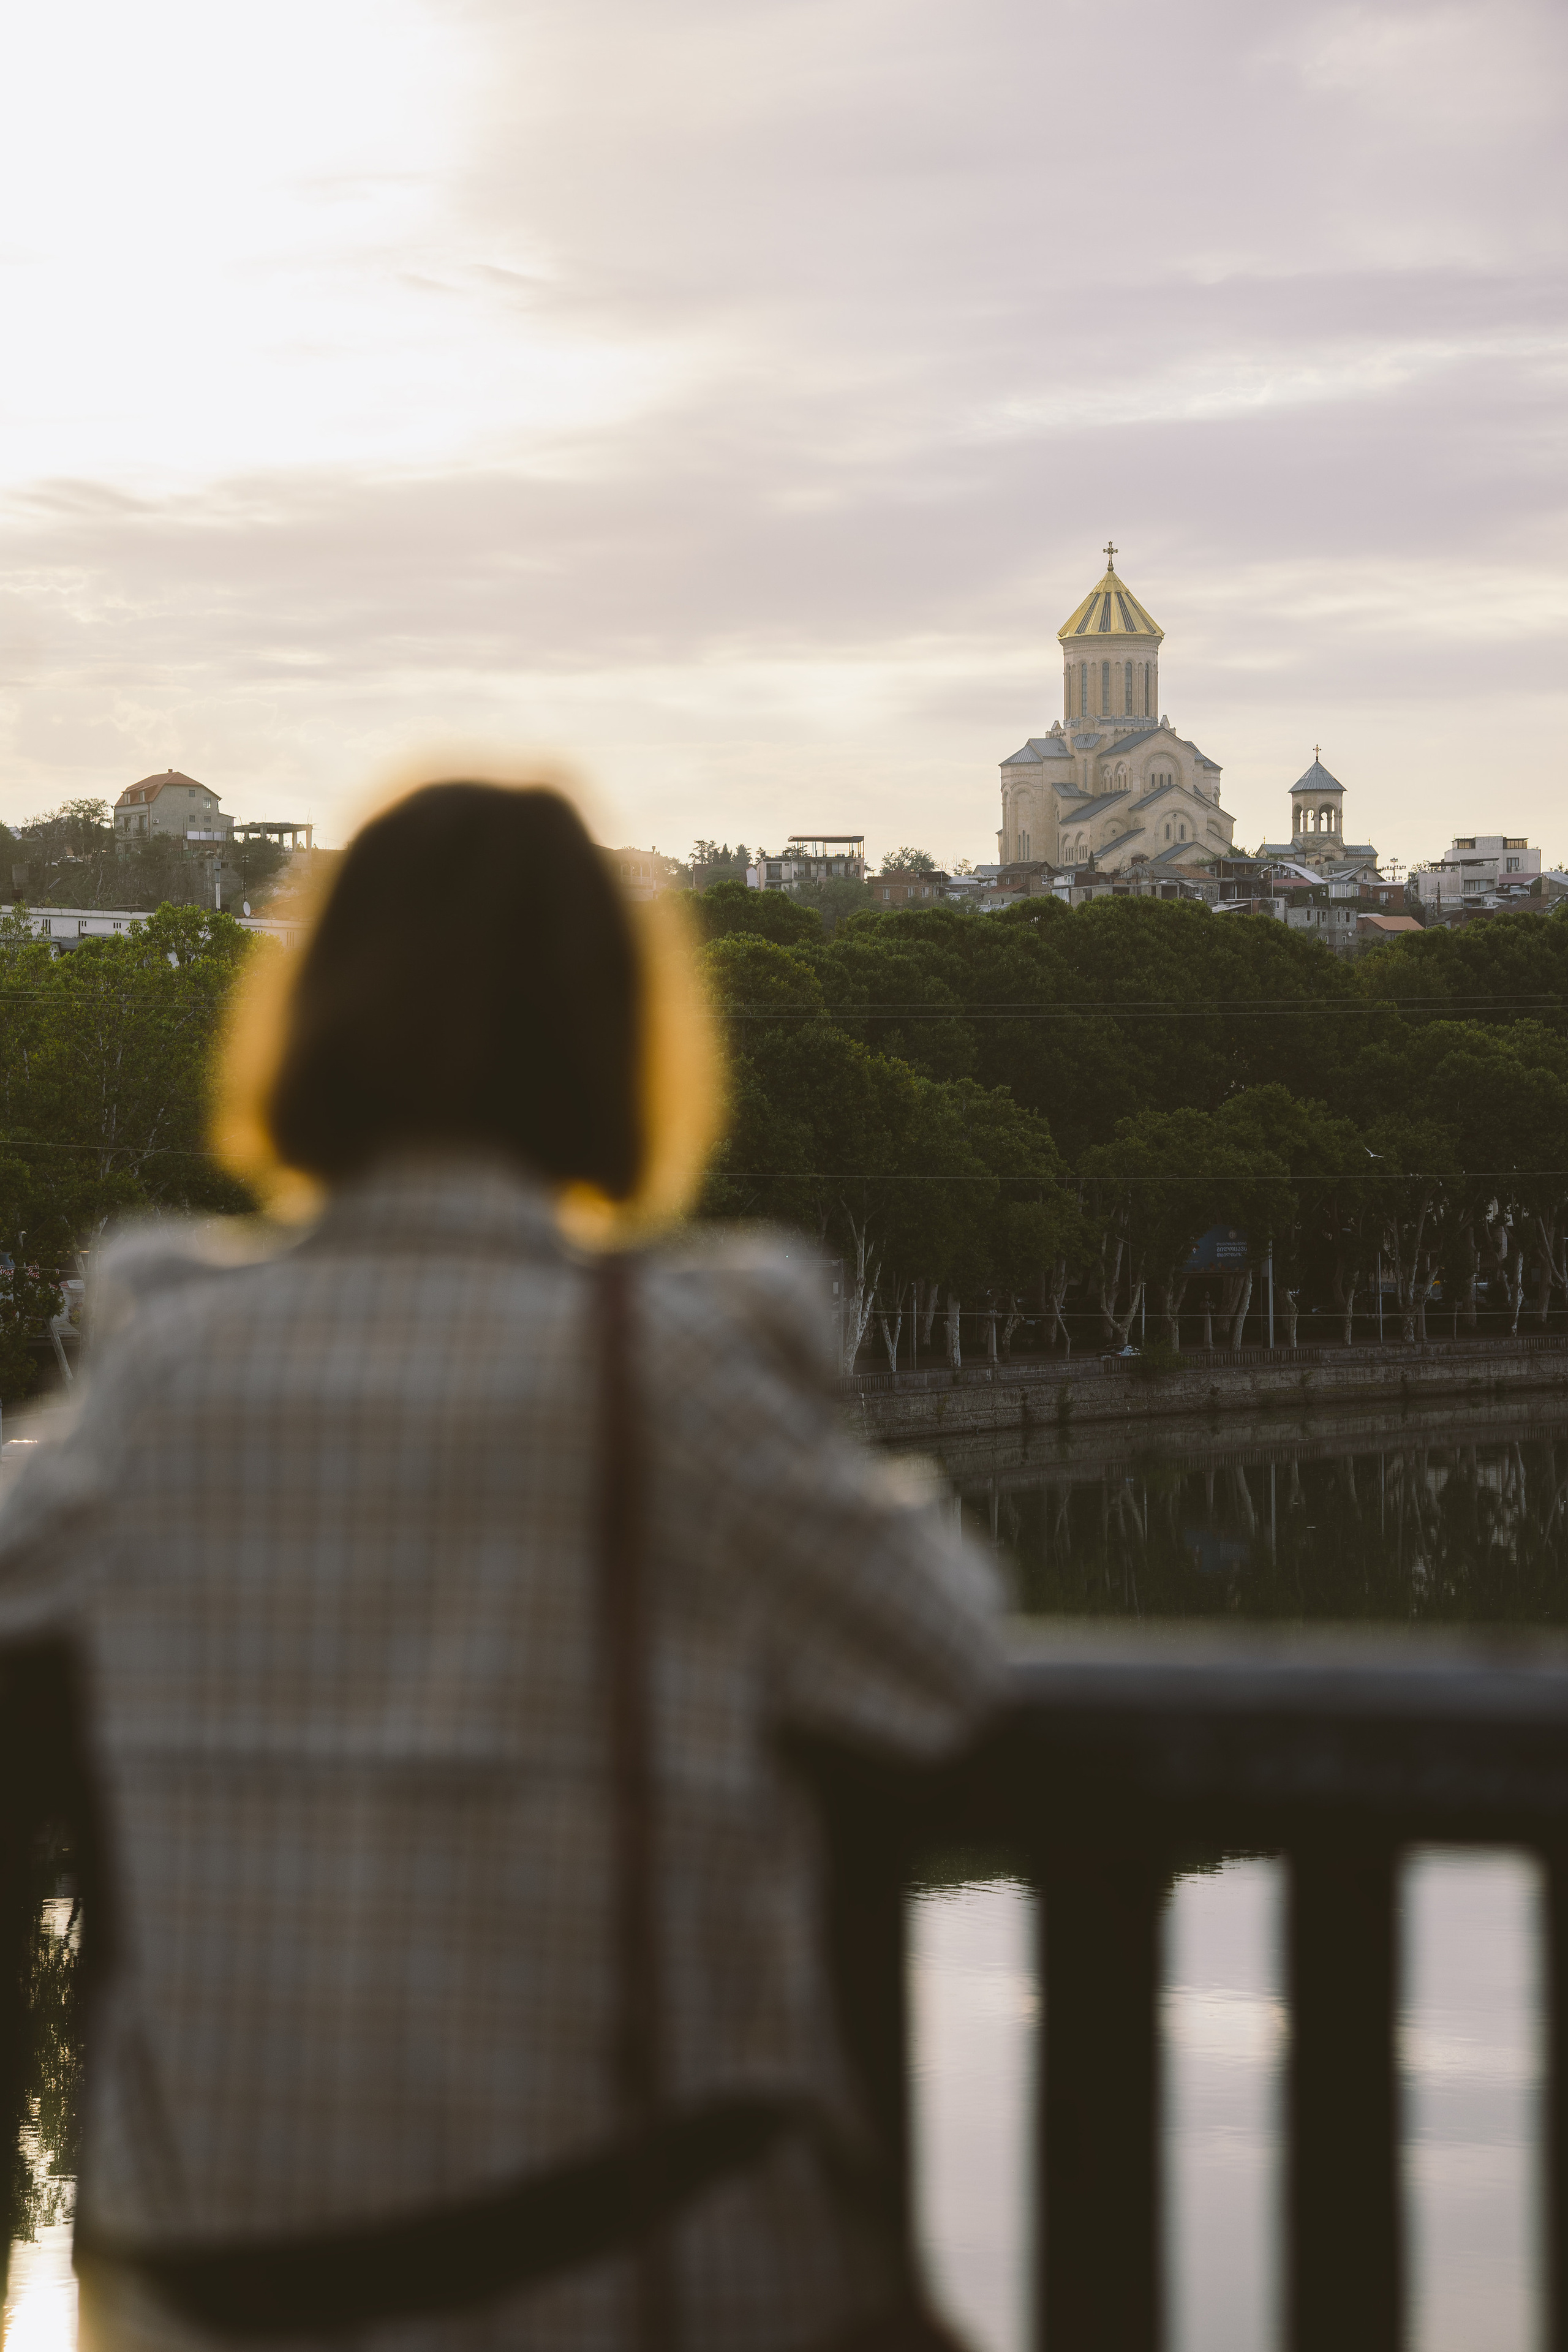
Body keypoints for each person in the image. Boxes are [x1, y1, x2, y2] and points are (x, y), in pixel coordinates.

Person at [0, 780, 1006, 2352]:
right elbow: (941, 1660)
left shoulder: (165, 1368)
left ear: (306, 1026)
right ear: (616, 1046)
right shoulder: (667, 1364)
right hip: (624, 2284)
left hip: (214, 2299)